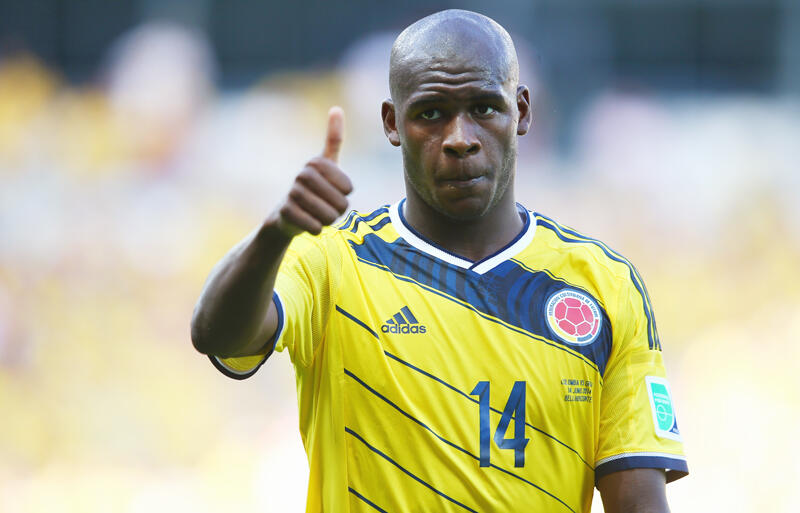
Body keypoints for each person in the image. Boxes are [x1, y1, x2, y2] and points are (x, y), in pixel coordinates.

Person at [191, 9, 688, 513]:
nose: (459, 138)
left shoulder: (603, 285)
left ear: (522, 112)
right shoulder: (332, 261)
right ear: (392, 123)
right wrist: (274, 233)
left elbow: (639, 503)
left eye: (485, 108)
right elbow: (219, 335)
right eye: (431, 114)